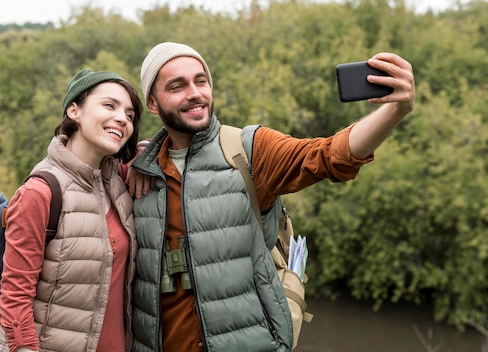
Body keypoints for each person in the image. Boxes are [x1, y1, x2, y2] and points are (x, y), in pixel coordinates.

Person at [128, 42, 415, 352]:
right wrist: (137, 156)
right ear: (153, 104)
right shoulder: (138, 170)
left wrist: (396, 109)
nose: (195, 93)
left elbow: (332, 154)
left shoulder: (248, 150)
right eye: (177, 86)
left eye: (201, 81)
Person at [0, 68, 143, 352]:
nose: (122, 118)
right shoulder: (41, 192)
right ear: (74, 111)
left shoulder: (118, 182)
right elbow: (14, 299)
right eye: (109, 105)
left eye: (130, 115)